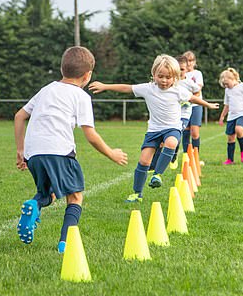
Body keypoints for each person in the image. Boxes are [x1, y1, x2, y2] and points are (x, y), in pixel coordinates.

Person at [14, 46, 128, 254]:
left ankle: (34, 204)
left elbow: (19, 116)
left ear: (62, 68)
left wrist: (21, 150)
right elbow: (90, 135)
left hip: (34, 153)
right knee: (75, 197)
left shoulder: (46, 89)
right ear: (88, 75)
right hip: (59, 151)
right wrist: (111, 153)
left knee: (49, 193)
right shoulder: (80, 96)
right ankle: (66, 243)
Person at [89, 54, 219, 203]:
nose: (164, 80)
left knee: (171, 143)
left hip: (172, 128)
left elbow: (192, 98)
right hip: (153, 131)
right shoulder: (148, 88)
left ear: (175, 77)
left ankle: (157, 174)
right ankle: (137, 194)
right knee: (144, 161)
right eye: (160, 76)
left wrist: (208, 105)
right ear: (154, 74)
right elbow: (127, 88)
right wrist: (105, 86)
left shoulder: (178, 90)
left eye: (168, 77)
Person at [149, 55, 201, 171]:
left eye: (183, 69)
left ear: (187, 69)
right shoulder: (171, 82)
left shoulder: (189, 82)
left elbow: (197, 92)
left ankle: (172, 157)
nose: (181, 72)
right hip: (171, 115)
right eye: (179, 69)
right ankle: (156, 164)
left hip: (184, 115)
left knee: (174, 137)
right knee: (163, 140)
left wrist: (189, 101)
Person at [218, 68, 243, 165]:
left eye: (226, 83)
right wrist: (222, 117)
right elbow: (227, 105)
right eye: (224, 84)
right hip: (231, 116)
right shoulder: (227, 90)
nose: (226, 86)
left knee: (238, 129)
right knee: (230, 138)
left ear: (233, 79)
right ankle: (230, 160)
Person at [182, 51, 204, 154]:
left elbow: (198, 89)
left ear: (194, 62)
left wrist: (190, 97)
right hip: (184, 106)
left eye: (191, 61)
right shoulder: (181, 74)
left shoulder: (197, 73)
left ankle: (196, 157)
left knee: (194, 132)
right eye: (187, 61)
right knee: (185, 132)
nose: (189, 63)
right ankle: (186, 157)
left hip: (196, 105)